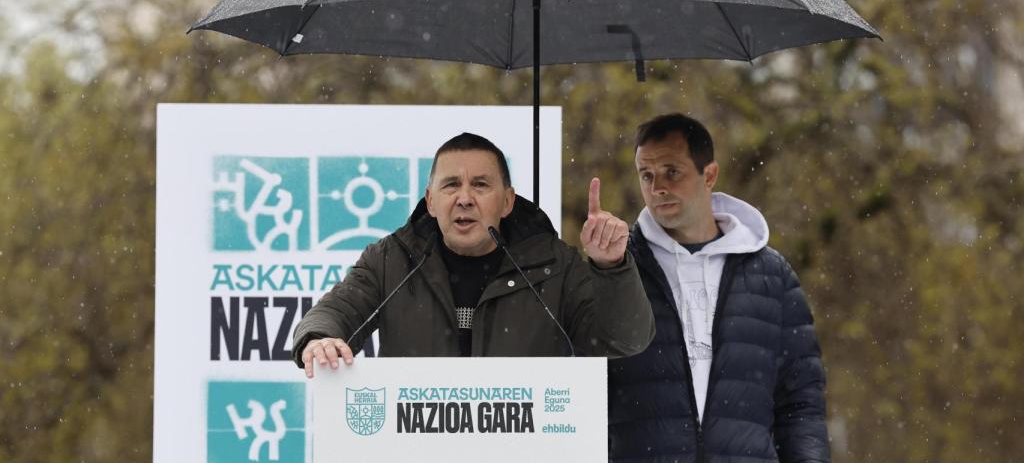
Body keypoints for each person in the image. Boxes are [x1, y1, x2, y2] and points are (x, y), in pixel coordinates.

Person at [293, 132, 654, 376]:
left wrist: (612, 266)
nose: (464, 197)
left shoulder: (554, 263)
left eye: (480, 185)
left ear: (508, 201)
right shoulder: (391, 260)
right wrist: (319, 338)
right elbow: (332, 314)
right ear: (431, 201)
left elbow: (624, 340)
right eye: (451, 185)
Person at [608, 113, 830, 463]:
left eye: (672, 172)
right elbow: (580, 392)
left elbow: (800, 402)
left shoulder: (772, 276)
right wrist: (602, 273)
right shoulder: (617, 271)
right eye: (646, 175)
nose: (657, 188)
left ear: (708, 174)